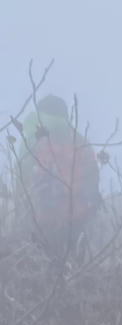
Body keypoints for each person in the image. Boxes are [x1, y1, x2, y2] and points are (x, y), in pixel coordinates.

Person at [15, 94, 101, 256]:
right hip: (75, 220)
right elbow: (92, 182)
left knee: (43, 269)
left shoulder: (32, 141)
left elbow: (21, 181)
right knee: (74, 269)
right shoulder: (80, 142)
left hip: (42, 222)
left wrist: (21, 213)